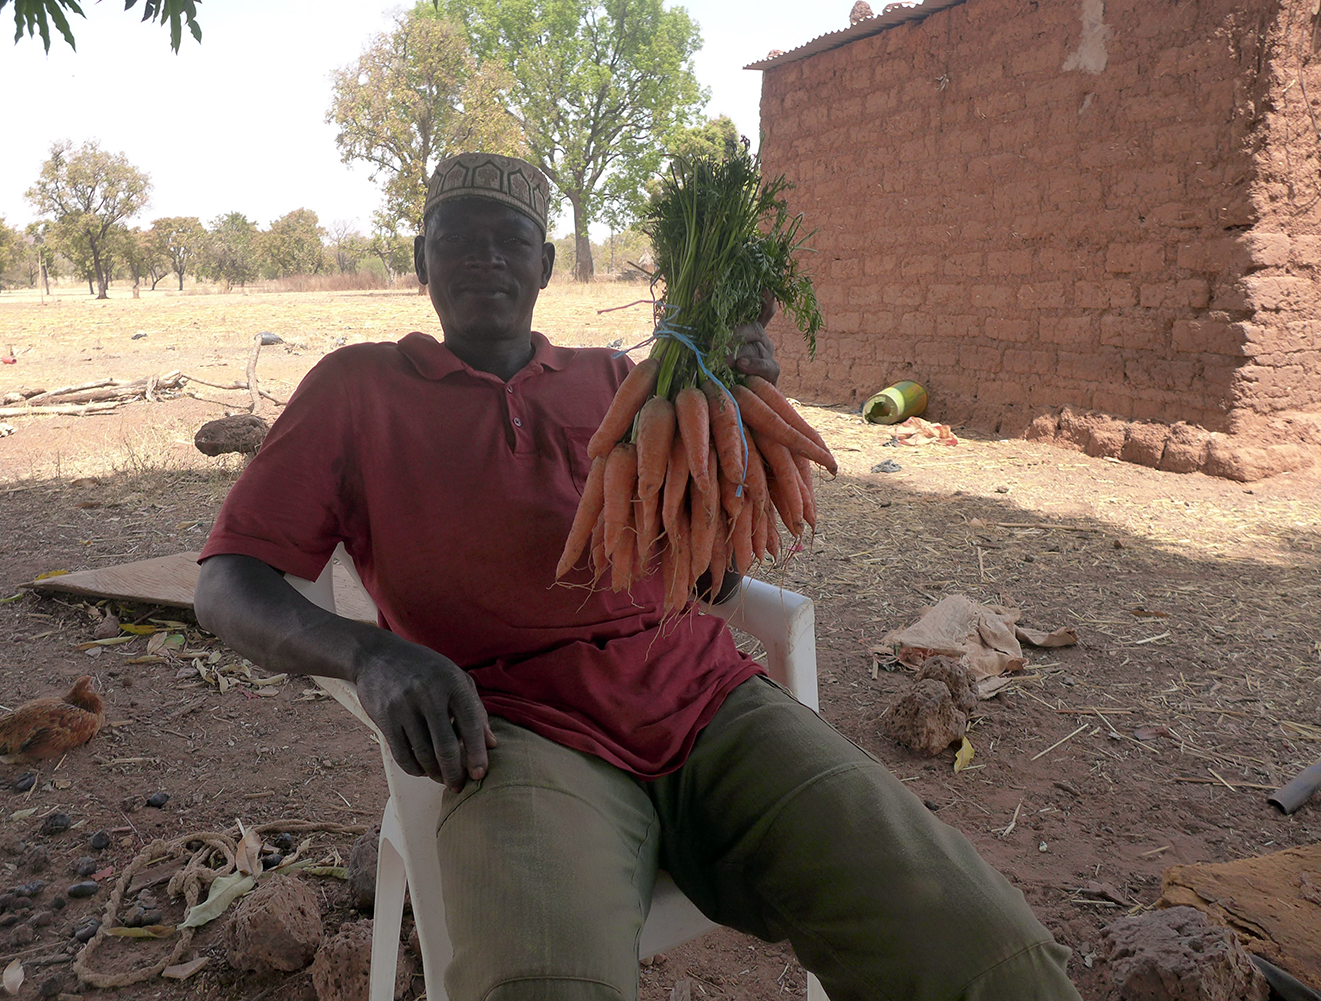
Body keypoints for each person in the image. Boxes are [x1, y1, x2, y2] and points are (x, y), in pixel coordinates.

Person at [194, 152, 1082, 1001]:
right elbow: (228, 582)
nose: (485, 257)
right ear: (421, 257)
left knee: (977, 941)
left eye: (509, 238)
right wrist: (371, 657)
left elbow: (710, 569)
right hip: (518, 737)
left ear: (545, 262)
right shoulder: (357, 389)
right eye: (457, 237)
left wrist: (729, 412)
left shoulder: (621, 379)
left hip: (711, 704)